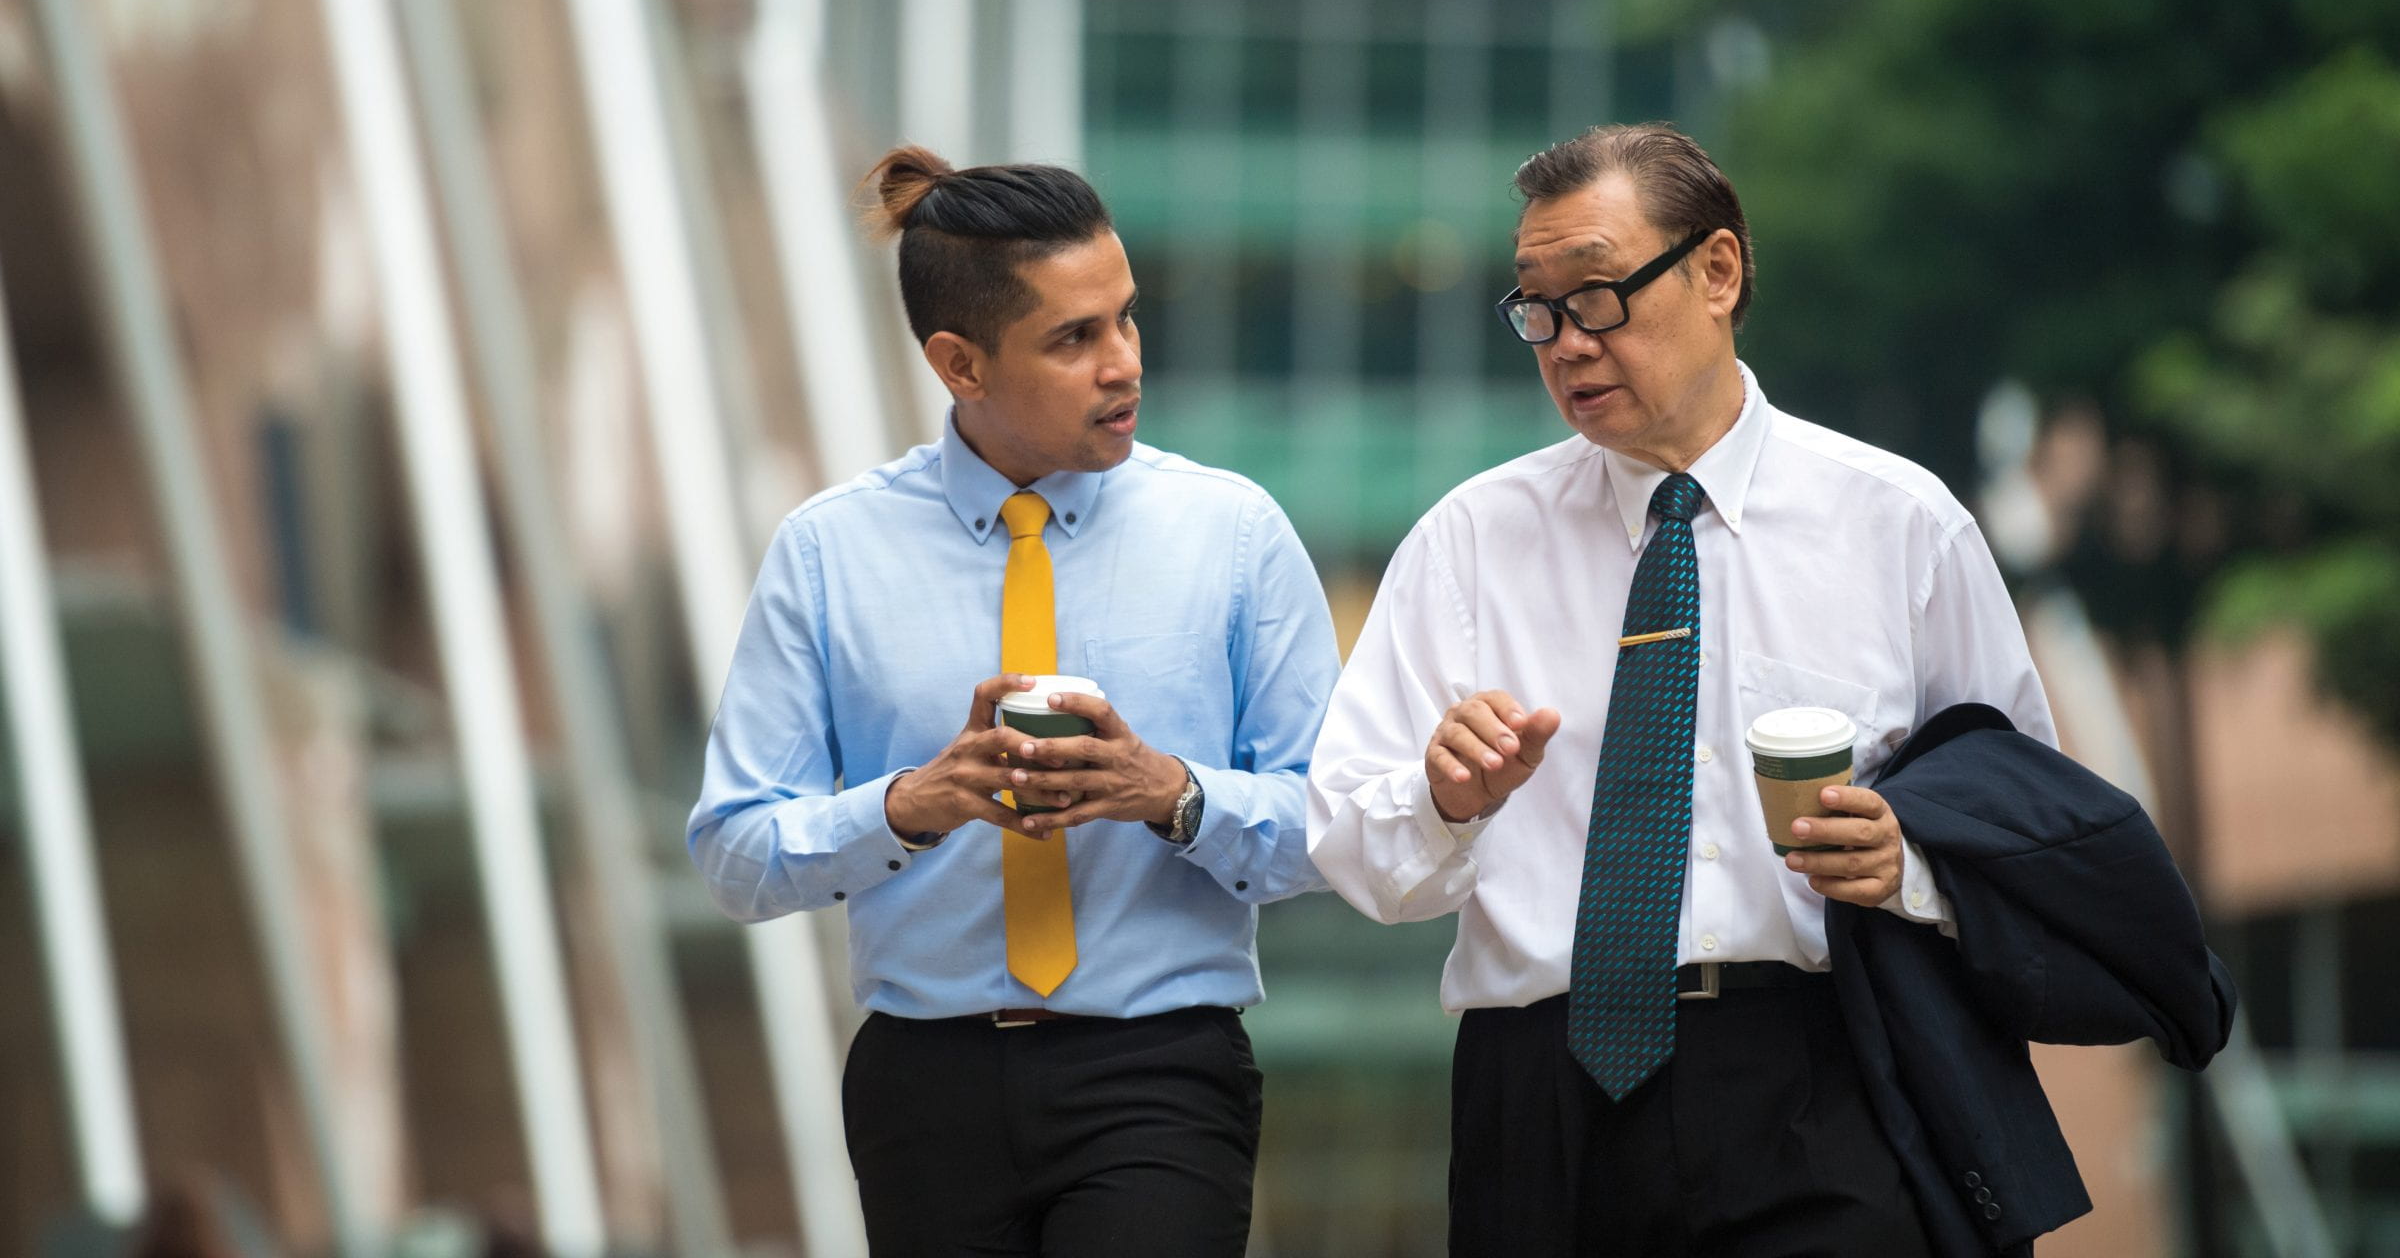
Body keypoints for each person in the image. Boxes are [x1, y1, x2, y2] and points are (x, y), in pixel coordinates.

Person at [1306, 123, 2057, 1256]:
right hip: (1539, 1090)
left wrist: (1907, 864)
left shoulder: (1899, 526)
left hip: (1819, 1064)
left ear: (1718, 271)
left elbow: (2021, 822)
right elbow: (1354, 849)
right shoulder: (1467, 543)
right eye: (1536, 308)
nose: (1565, 342)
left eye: (1598, 295)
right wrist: (1444, 796)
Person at [689, 146, 1338, 1257]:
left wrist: (1172, 794)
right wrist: (909, 803)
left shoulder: (1231, 535)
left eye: (1127, 318)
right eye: (1074, 338)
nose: (1124, 362)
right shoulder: (829, 553)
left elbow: (1332, 824)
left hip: (1160, 1068)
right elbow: (734, 850)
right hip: (920, 1081)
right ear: (961, 363)